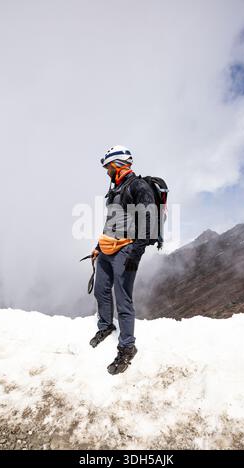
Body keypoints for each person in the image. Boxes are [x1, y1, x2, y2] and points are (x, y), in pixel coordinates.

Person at [90, 145, 156, 375]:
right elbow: (112, 220)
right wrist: (99, 246)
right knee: (101, 290)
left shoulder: (138, 186)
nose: (107, 171)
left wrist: (136, 253)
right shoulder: (116, 188)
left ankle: (127, 346)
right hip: (108, 248)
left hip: (126, 250)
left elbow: (150, 219)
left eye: (108, 166)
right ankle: (106, 325)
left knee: (123, 298)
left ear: (116, 164)